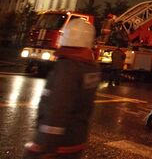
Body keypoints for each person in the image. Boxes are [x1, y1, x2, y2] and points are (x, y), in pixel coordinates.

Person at [23, 19, 101, 159]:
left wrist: (47, 146)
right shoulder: (92, 67)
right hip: (77, 139)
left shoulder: (67, 67)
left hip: (58, 143)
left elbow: (57, 108)